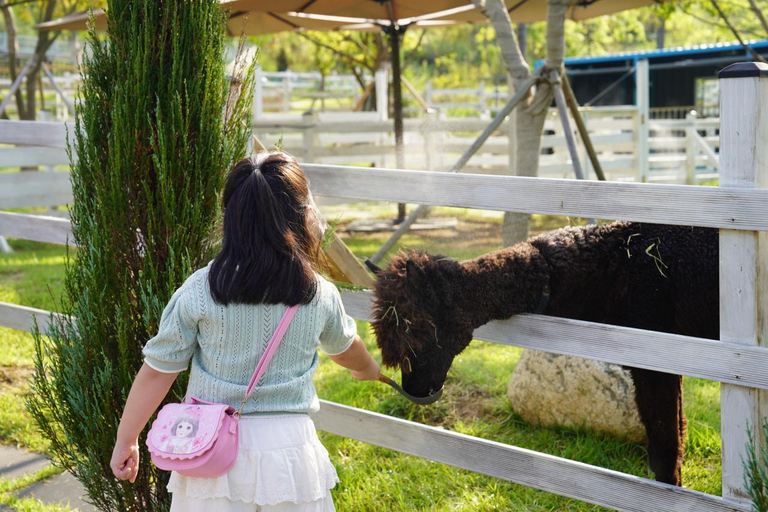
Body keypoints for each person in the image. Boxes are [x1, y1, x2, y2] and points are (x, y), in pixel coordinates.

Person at [110, 151, 381, 511]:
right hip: (290, 454)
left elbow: (158, 371)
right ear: (303, 217)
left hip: (211, 452)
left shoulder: (201, 289)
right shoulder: (317, 293)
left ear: (230, 217)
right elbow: (346, 347)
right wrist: (367, 368)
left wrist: (126, 439)